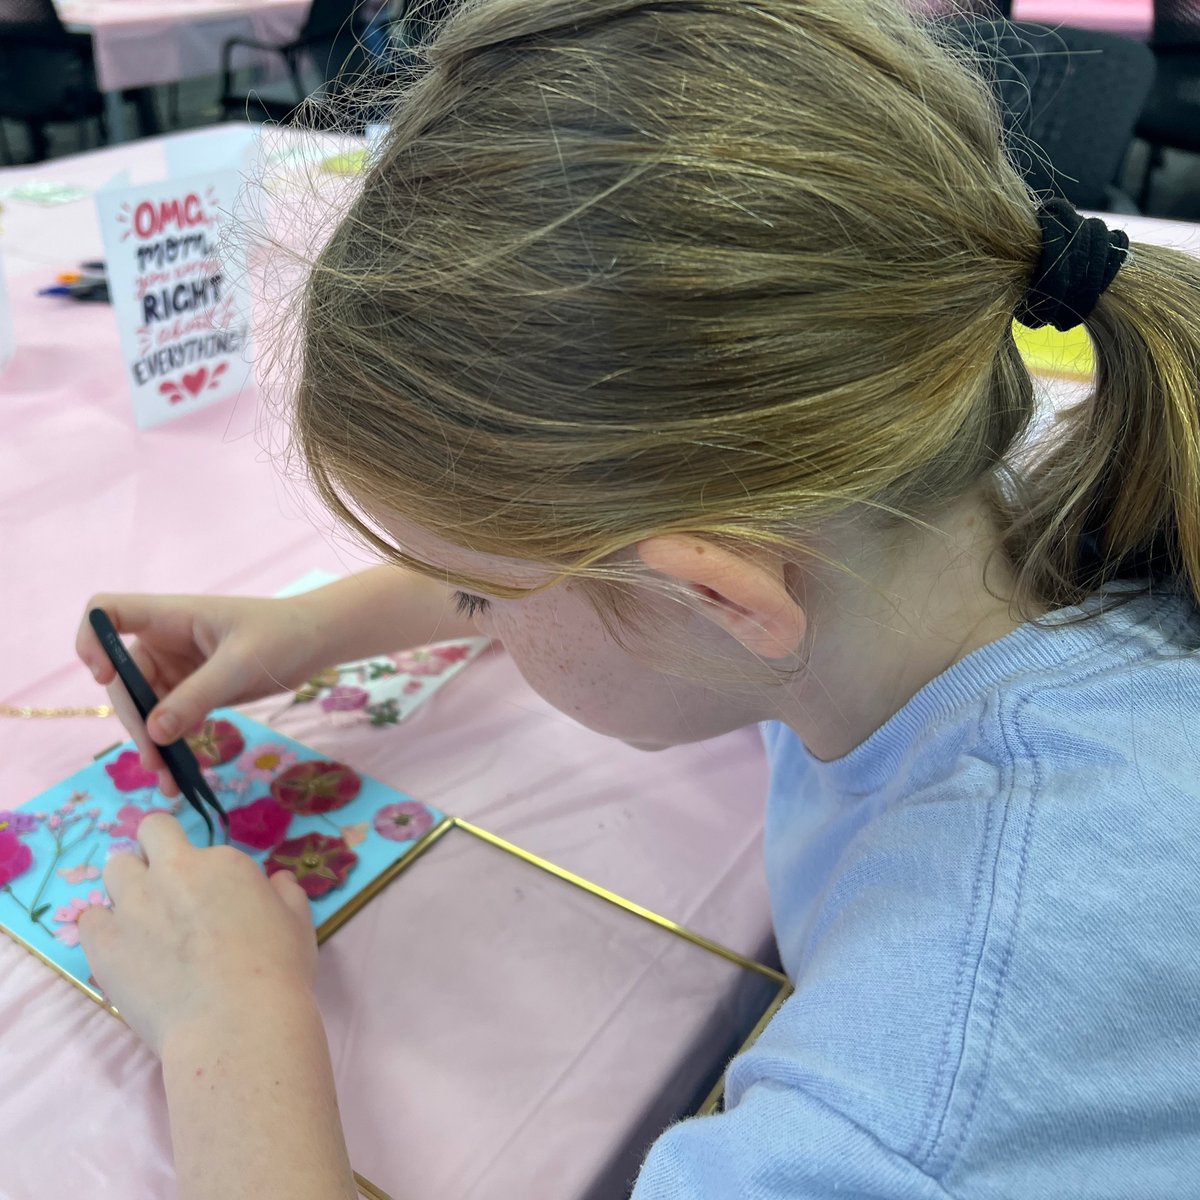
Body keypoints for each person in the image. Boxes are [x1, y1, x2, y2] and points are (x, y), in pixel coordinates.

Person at [74, 0, 1200, 1196]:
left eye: (474, 595)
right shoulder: (963, 495)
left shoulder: (918, 1105)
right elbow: (634, 564)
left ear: (719, 600)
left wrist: (227, 1029)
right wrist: (318, 627)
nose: (467, 609)